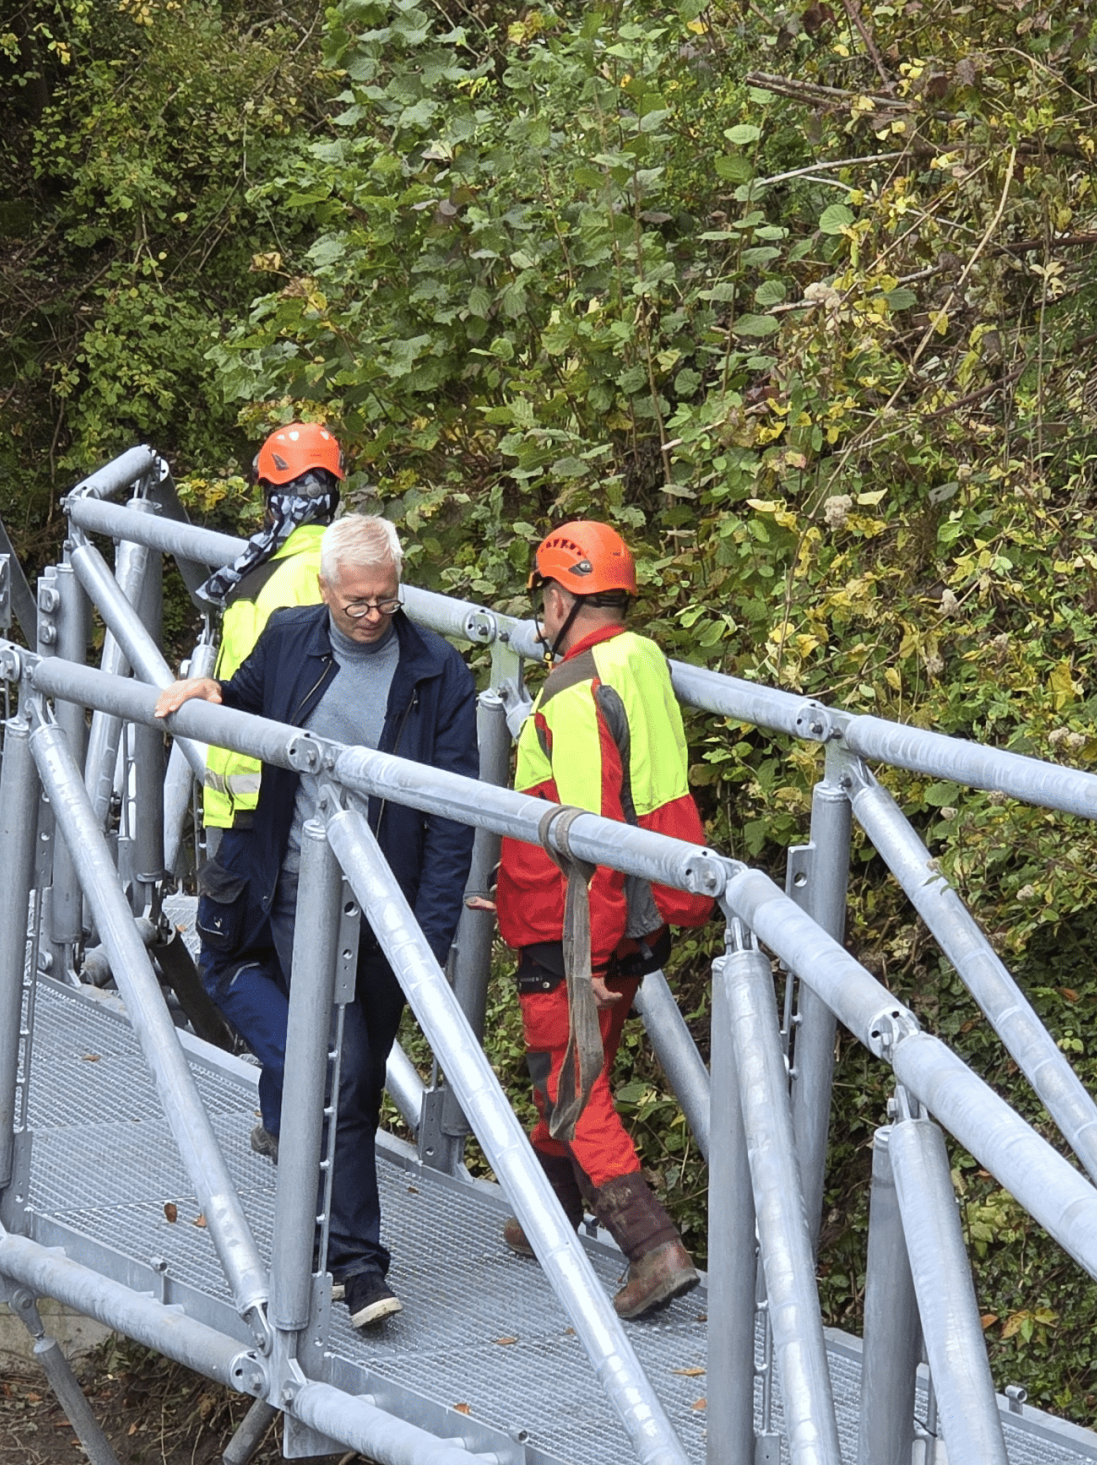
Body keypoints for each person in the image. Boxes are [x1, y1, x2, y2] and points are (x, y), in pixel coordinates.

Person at [155, 515, 479, 1329]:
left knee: (356, 1078)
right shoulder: (296, 632)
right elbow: (253, 693)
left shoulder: (436, 673)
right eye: (355, 602)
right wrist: (211, 690)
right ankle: (360, 1263)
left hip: (377, 905)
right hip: (286, 886)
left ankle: (323, 1237)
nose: (371, 616)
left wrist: (426, 941)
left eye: (384, 600)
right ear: (327, 590)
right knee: (334, 1066)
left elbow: (450, 824)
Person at [487, 521, 712, 1319]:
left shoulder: (574, 690)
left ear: (558, 598)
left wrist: (586, 952)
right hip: (642, 903)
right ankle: (545, 1209)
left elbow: (589, 839)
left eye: (543, 600)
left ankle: (652, 1247)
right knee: (573, 1069)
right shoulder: (641, 659)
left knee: (570, 1081)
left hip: (576, 918)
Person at [193, 423, 345, 837]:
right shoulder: (341, 569)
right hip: (301, 794)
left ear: (272, 499)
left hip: (259, 801)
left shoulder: (264, 577)